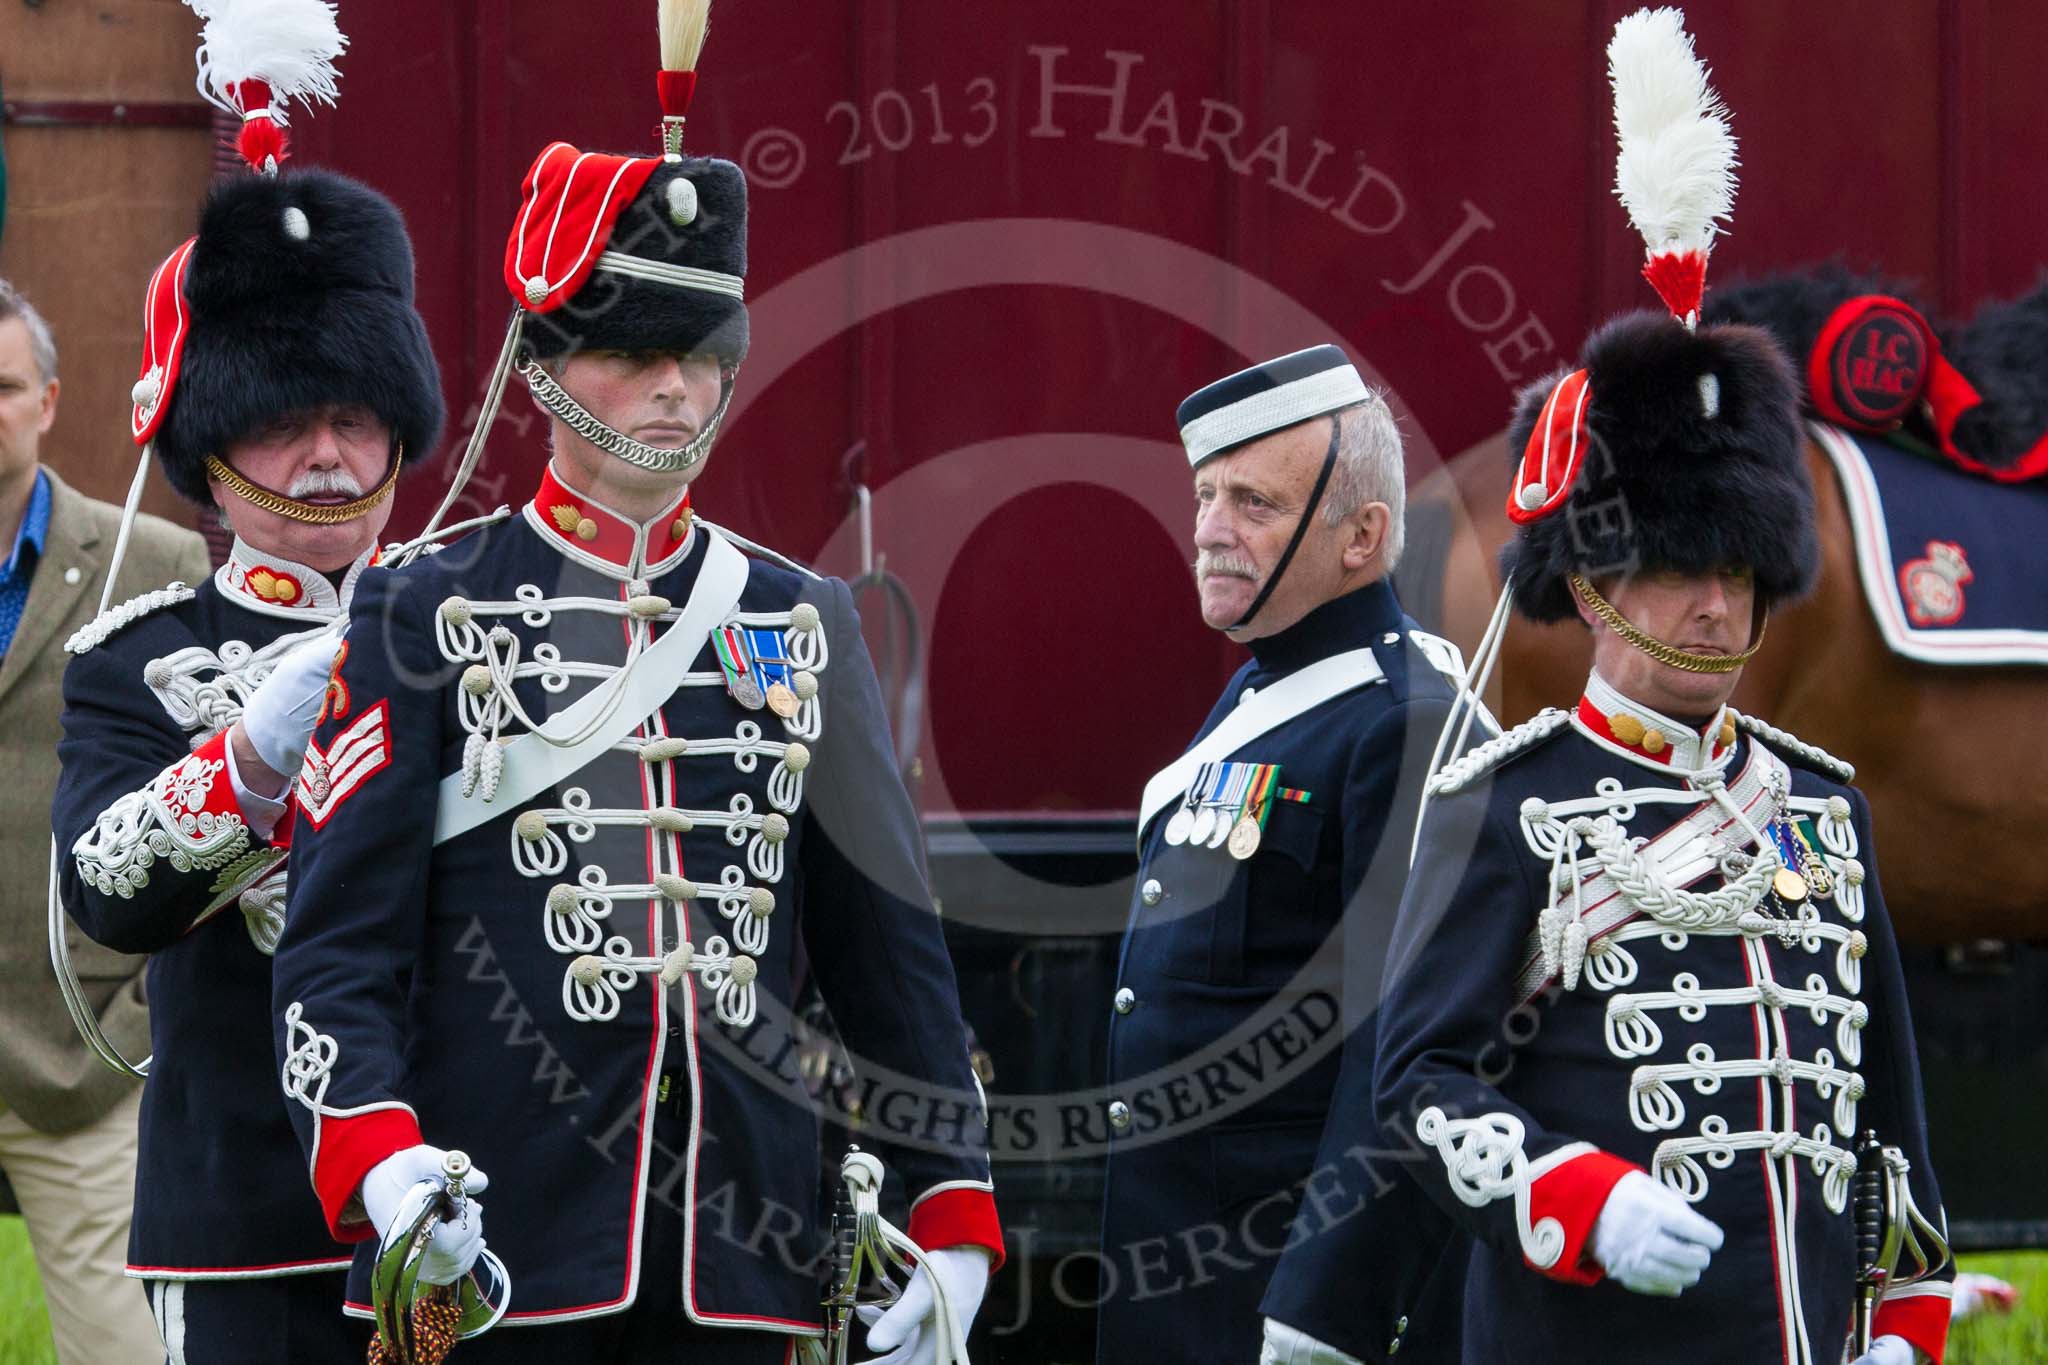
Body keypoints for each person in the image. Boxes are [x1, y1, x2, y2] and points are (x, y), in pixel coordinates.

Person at [268, 7, 1001, 1361]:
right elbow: (337, 952)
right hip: (498, 1248)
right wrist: (381, 1165)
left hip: (747, 1255)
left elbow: (888, 958)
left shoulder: (802, 615)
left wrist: (954, 1219)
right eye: (634, 353)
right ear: (546, 369)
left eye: (699, 355)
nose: (674, 388)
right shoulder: (424, 605)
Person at [1374, 15, 1950, 1363]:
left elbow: (1886, 1117)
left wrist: (1908, 1325)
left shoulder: (1821, 808)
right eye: (1684, 568)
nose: (1718, 605)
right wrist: (1576, 1196)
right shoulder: (1507, 808)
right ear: (1589, 587)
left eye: (1743, 572)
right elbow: (1419, 1085)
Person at [50, 7, 445, 1355]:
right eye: (282, 423)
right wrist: (260, 743)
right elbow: (106, 898)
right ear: (211, 448)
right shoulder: (130, 659)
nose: (328, 456)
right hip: (242, 1211)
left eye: (353, 416)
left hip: (464, 1196)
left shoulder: (474, 619)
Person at [1098, 345, 1472, 1365]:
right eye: (1204, 494)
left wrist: (1323, 1317)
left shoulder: (1405, 718)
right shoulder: (1269, 686)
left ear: (1362, 537)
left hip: (1280, 1304)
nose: (1210, 532)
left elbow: (1394, 1057)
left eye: (1253, 504)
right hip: (1184, 1284)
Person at [0, 278, 205, 1363]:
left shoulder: (155, 563)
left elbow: (218, 805)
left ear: (48, 401)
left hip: (78, 1055)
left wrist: (134, 1017)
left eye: (2, 386)